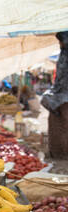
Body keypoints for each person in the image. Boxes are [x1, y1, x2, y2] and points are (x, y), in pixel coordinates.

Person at [41, 31, 68, 159]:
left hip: (64, 100)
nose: (60, 44)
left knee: (62, 128)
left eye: (61, 41)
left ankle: (62, 154)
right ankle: (58, 153)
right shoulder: (63, 55)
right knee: (57, 127)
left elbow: (62, 79)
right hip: (60, 98)